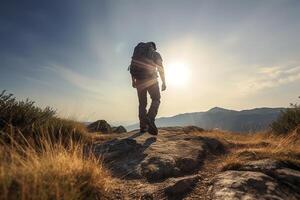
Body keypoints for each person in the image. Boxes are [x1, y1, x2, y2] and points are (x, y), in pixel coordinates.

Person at [129, 42, 166, 135]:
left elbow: (132, 68)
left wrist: (133, 81)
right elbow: (161, 68)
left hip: (139, 81)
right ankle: (150, 117)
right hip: (151, 79)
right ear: (153, 47)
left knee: (142, 104)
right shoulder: (155, 54)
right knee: (156, 99)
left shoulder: (137, 54)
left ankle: (143, 127)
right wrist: (164, 82)